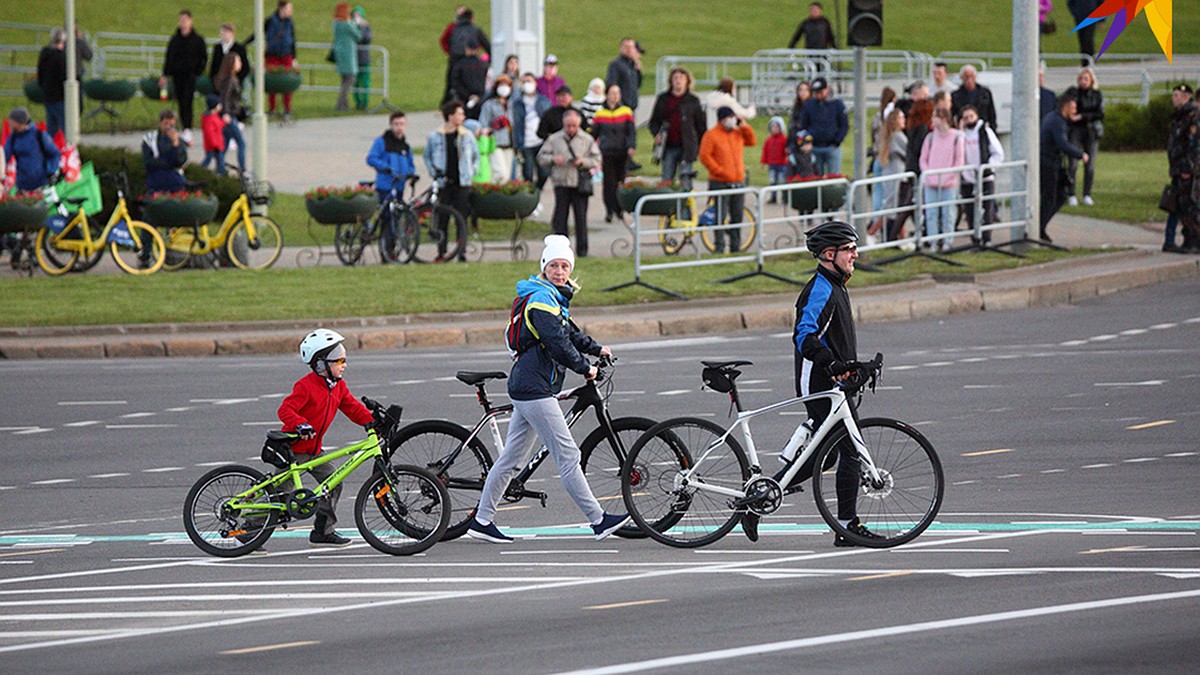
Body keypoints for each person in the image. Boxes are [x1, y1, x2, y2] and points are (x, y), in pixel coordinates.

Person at [467, 235, 630, 544]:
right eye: (553, 265)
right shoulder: (541, 301)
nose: (559, 271)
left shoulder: (550, 298)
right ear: (544, 267)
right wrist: (586, 368)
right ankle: (598, 520)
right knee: (568, 454)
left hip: (531, 386)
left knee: (510, 459)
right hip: (534, 388)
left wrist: (598, 350)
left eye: (565, 266)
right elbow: (558, 343)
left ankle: (482, 520)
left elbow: (571, 333)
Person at [748, 221, 880, 547]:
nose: (856, 254)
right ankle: (847, 527)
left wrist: (852, 368)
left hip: (834, 383)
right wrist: (833, 364)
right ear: (829, 254)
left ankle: (761, 499)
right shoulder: (821, 287)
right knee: (850, 450)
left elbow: (832, 337)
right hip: (819, 383)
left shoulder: (836, 284)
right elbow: (804, 335)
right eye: (850, 249)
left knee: (831, 455)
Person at [278, 329, 376, 547]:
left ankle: (323, 530)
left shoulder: (338, 386)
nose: (344, 365)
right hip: (293, 449)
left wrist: (373, 421)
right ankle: (248, 530)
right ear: (322, 365)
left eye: (344, 359)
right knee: (280, 493)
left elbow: (353, 408)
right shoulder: (306, 386)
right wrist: (300, 424)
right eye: (339, 360)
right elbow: (285, 410)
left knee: (332, 483)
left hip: (314, 451)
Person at [538, 110, 600, 257]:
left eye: (574, 126)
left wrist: (582, 162)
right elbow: (541, 157)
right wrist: (553, 159)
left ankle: (582, 251)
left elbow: (597, 160)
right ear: (563, 125)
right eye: (568, 126)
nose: (571, 129)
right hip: (562, 183)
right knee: (560, 219)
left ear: (579, 125)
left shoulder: (587, 139)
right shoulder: (554, 139)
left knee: (581, 219)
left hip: (580, 184)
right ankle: (559, 252)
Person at [423, 100, 479, 262]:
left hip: (462, 183)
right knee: (443, 218)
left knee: (461, 218)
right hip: (444, 183)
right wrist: (434, 172)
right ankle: (442, 251)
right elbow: (427, 156)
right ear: (450, 116)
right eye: (460, 113)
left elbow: (476, 156)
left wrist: (471, 172)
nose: (463, 117)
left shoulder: (466, 135)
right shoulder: (435, 136)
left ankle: (461, 251)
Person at [698, 107, 756, 253]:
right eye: (729, 117)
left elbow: (751, 141)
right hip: (720, 182)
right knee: (720, 216)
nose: (732, 120)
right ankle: (719, 246)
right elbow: (705, 156)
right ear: (722, 119)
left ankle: (736, 247)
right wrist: (720, 171)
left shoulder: (737, 133)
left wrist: (744, 126)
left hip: (738, 182)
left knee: (737, 216)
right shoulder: (711, 135)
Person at [366, 110, 416, 261]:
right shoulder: (381, 142)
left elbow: (410, 165)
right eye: (396, 124)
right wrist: (384, 167)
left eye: (401, 124)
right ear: (390, 125)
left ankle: (392, 249)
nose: (399, 127)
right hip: (385, 186)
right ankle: (386, 251)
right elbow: (371, 158)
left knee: (397, 218)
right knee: (386, 218)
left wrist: (410, 174)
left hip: (399, 187)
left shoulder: (405, 147)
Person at [1039, 93, 1088, 243]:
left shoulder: (1054, 118)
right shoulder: (1057, 122)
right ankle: (1039, 227)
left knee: (1060, 195)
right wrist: (1081, 154)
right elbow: (1062, 143)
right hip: (1049, 164)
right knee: (1051, 197)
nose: (1075, 110)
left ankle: (1041, 226)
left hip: (1053, 163)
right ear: (1065, 107)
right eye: (1073, 107)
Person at [648, 67, 706, 190]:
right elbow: (654, 121)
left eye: (681, 78)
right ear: (671, 81)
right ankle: (668, 206)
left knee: (686, 179)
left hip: (687, 146)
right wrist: (656, 134)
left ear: (687, 81)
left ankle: (686, 207)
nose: (678, 81)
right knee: (667, 179)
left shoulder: (693, 101)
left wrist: (701, 146)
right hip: (668, 145)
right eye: (675, 78)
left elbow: (701, 125)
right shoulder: (663, 99)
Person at [919, 107, 965, 252]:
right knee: (931, 213)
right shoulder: (930, 138)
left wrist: (946, 177)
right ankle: (933, 241)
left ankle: (947, 240)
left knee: (948, 213)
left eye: (935, 117)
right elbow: (923, 159)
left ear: (944, 119)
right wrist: (930, 176)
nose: (932, 120)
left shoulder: (957, 137)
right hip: (931, 182)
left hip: (949, 183)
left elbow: (959, 161)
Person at [159, 10, 207, 145]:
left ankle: (187, 128)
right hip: (177, 75)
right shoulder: (175, 40)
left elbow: (203, 57)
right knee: (181, 101)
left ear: (190, 21)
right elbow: (169, 58)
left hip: (190, 76)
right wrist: (165, 74)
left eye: (185, 20)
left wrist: (198, 71)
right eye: (181, 20)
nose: (183, 22)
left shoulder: (197, 40)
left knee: (187, 100)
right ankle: (183, 126)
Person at [958, 105, 1004, 243]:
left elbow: (998, 153)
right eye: (965, 117)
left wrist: (988, 167)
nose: (968, 120)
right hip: (967, 178)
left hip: (984, 177)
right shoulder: (961, 135)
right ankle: (975, 239)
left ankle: (987, 238)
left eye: (971, 116)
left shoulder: (985, 131)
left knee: (987, 208)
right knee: (970, 210)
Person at [592, 84, 637, 222]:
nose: (615, 96)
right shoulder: (600, 114)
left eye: (618, 93)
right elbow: (594, 133)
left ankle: (619, 209)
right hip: (607, 151)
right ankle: (609, 209)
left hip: (622, 151)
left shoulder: (626, 112)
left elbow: (631, 132)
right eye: (612, 93)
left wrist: (631, 146)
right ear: (607, 95)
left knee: (620, 181)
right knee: (608, 183)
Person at [1165, 84, 1199, 253]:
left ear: (1186, 97)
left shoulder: (1191, 116)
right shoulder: (1178, 117)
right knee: (1174, 203)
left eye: (1177, 95)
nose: (1174, 98)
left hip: (1186, 169)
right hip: (1177, 167)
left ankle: (1190, 240)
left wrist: (1187, 168)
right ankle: (1170, 240)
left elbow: (1192, 146)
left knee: (1187, 206)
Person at [1064, 67, 1103, 207]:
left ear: (1091, 80)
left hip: (1091, 132)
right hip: (1076, 130)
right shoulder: (1074, 93)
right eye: (1081, 79)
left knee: (1090, 165)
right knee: (1073, 164)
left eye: (1086, 79)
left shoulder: (1096, 95)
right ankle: (1071, 194)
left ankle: (1087, 194)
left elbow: (1100, 113)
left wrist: (1083, 116)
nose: (1083, 82)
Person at [799, 76, 848, 176]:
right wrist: (807, 140)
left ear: (827, 89)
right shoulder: (809, 105)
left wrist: (837, 140)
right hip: (815, 147)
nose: (819, 95)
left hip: (832, 147)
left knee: (833, 176)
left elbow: (844, 125)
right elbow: (803, 125)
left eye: (821, 92)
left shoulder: (837, 104)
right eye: (816, 93)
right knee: (816, 176)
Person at [2, 107, 59, 192]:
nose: (10, 124)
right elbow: (4, 156)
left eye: (12, 121)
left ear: (20, 122)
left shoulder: (39, 136)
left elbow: (54, 154)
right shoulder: (13, 138)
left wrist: (51, 171)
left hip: (41, 184)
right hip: (21, 184)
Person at [511, 72, 551, 187]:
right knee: (527, 173)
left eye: (529, 81)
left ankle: (537, 192)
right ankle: (531, 197)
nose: (527, 84)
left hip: (540, 141)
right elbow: (516, 123)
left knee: (544, 172)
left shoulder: (543, 100)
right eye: (524, 82)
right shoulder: (517, 103)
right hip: (525, 142)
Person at [259, 1, 297, 120]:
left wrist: (294, 58)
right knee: (272, 82)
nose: (290, 11)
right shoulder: (270, 21)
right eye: (288, 8)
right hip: (272, 55)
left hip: (286, 55)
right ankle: (272, 108)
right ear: (281, 8)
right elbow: (258, 34)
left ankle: (287, 109)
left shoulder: (290, 23)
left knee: (286, 82)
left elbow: (293, 40)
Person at [443, 7, 490, 104]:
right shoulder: (475, 30)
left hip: (455, 61)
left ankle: (447, 105)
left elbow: (445, 42)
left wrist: (451, 52)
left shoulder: (453, 29)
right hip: (473, 64)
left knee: (452, 85)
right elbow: (487, 45)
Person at [877, 109, 908, 241]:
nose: (904, 120)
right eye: (901, 118)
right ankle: (872, 231)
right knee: (893, 204)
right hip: (897, 170)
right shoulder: (898, 136)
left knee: (895, 205)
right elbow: (907, 151)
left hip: (890, 170)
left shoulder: (888, 136)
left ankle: (900, 235)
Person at [478, 75, 515, 184]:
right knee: (500, 173)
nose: (504, 88)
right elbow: (482, 124)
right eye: (501, 85)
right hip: (495, 143)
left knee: (507, 176)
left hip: (509, 143)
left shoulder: (512, 105)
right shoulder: (489, 105)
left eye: (506, 85)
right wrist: (493, 127)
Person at [214, 51, 247, 172]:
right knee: (241, 143)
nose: (240, 64)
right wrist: (226, 113)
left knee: (225, 144)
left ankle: (220, 168)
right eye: (238, 61)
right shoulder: (229, 80)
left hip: (231, 114)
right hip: (229, 116)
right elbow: (225, 97)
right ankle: (242, 170)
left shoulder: (232, 79)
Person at [142, 109, 188, 193]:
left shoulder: (179, 140)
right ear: (160, 123)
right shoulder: (150, 139)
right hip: (155, 181)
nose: (168, 127)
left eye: (171, 125)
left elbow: (181, 161)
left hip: (176, 181)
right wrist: (168, 163)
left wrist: (175, 145)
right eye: (165, 124)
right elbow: (148, 162)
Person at [35, 28, 67, 139]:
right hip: (60, 95)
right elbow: (63, 76)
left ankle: (51, 148)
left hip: (48, 94)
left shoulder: (45, 54)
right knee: (64, 127)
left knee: (51, 127)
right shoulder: (60, 57)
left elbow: (40, 73)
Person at [331, 3, 362, 112]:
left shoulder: (336, 24)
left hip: (339, 53)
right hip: (347, 54)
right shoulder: (346, 25)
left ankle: (345, 104)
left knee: (344, 79)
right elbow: (358, 36)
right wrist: (357, 24)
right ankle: (341, 104)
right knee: (350, 79)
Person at [449, 39, 489, 119]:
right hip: (480, 98)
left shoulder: (460, 64)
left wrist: (467, 95)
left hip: (464, 99)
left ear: (467, 49)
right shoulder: (483, 64)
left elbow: (455, 82)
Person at [950, 65, 997, 131]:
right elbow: (952, 115)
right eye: (966, 77)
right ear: (961, 78)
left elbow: (991, 113)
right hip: (964, 129)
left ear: (975, 77)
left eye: (971, 76)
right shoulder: (955, 95)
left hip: (982, 129)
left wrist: (993, 129)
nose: (969, 79)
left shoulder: (985, 93)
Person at [606, 38, 643, 112]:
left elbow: (637, 84)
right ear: (621, 48)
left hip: (632, 106)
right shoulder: (616, 65)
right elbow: (612, 84)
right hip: (621, 107)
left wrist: (638, 71)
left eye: (631, 47)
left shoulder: (633, 65)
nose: (629, 50)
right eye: (626, 47)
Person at [761, 116, 789, 204]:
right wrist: (763, 161)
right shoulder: (768, 140)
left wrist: (787, 156)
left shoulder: (784, 140)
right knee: (773, 181)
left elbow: (787, 151)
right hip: (772, 164)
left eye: (777, 127)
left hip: (782, 164)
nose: (775, 129)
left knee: (782, 181)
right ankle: (773, 197)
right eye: (773, 127)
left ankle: (784, 197)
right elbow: (765, 151)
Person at [1068, 0, 1103, 67]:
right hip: (1079, 18)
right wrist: (1075, 13)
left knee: (1088, 39)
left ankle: (1091, 61)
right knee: (1082, 40)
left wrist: (1101, 20)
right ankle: (1084, 62)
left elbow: (1101, 3)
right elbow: (1070, 3)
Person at [351, 6, 373, 111]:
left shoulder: (366, 27)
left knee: (365, 82)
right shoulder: (350, 26)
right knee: (354, 82)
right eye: (354, 15)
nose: (356, 17)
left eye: (358, 15)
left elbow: (367, 39)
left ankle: (365, 102)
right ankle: (357, 102)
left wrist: (363, 28)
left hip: (364, 58)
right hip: (353, 58)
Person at [199, 95, 226, 174]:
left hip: (217, 144)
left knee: (218, 160)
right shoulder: (209, 118)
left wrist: (224, 122)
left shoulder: (214, 116)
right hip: (214, 145)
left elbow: (218, 126)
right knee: (216, 160)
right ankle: (221, 173)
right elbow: (209, 133)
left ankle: (220, 172)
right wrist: (214, 144)